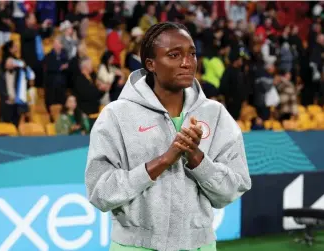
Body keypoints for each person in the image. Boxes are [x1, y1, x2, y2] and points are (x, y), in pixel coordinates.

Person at [85, 22, 251, 251]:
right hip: (135, 246)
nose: (187, 62)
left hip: (199, 246)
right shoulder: (116, 116)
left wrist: (197, 158)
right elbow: (100, 192)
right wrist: (162, 161)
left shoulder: (216, 114)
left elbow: (235, 188)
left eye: (192, 54)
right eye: (174, 55)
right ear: (150, 64)